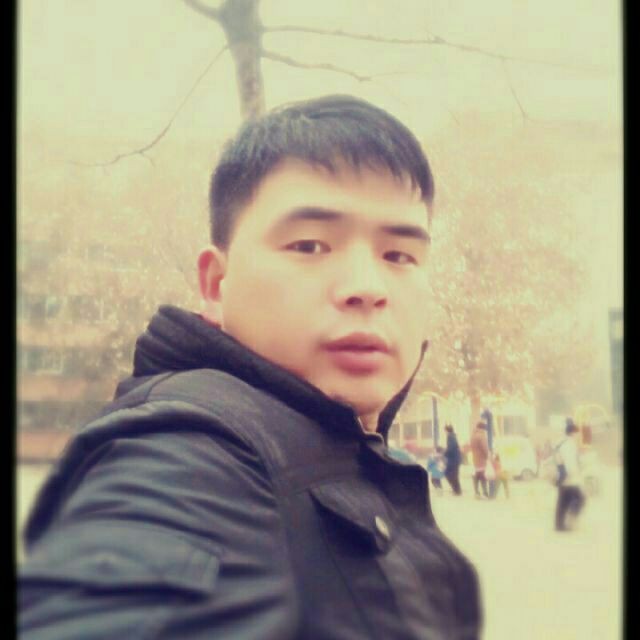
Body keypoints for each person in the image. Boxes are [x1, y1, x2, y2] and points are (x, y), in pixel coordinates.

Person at [19, 95, 483, 639]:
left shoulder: (343, 447)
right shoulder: (187, 455)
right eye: (310, 245)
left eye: (399, 255)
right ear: (217, 284)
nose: (367, 287)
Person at [554, 419, 587, 531]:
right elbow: (570, 462)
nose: (579, 436)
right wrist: (575, 473)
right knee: (580, 499)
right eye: (578, 433)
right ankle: (567, 522)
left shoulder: (563, 443)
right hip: (569, 478)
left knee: (563, 502)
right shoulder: (569, 445)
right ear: (573, 433)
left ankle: (560, 525)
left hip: (563, 477)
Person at [470, 421, 490, 499]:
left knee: (476, 476)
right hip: (481, 459)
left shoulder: (473, 435)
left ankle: (476, 493)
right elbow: (485, 448)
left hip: (475, 459)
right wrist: (487, 456)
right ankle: (485, 493)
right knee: (483, 477)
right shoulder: (481, 436)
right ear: (482, 428)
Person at [443, 423, 463, 495]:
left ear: (447, 430)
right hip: (455, 459)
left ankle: (457, 490)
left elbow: (451, 448)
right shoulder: (452, 436)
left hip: (453, 460)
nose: (444, 433)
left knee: (448, 474)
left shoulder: (450, 437)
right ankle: (457, 490)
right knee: (453, 475)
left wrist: (445, 453)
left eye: (445, 431)